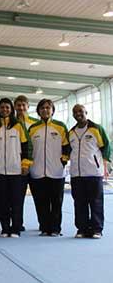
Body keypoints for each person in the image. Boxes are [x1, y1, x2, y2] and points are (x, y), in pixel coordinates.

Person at [28, 99, 70, 237]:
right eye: (42, 108)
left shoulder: (61, 127)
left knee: (56, 202)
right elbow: (28, 149)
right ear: (38, 111)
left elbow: (67, 146)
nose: (45, 110)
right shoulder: (33, 128)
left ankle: (55, 228)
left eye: (48, 108)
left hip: (56, 171)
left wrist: (62, 161)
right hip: (37, 171)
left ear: (52, 110)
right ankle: (44, 227)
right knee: (41, 201)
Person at [0, 98, 31, 238]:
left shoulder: (19, 126)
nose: (5, 110)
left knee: (16, 201)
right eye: (2, 107)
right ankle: (5, 227)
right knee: (2, 201)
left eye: (7, 107)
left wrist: (25, 164)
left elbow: (26, 147)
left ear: (11, 110)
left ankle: (16, 228)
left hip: (16, 171)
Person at [69, 104, 110, 239]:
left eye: (80, 111)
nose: (78, 114)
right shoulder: (71, 132)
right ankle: (82, 229)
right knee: (79, 202)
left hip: (93, 173)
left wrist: (103, 166)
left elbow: (107, 147)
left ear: (86, 112)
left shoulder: (96, 129)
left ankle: (97, 229)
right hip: (77, 173)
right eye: (75, 112)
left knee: (96, 202)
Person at [14, 95, 39, 232]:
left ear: (28, 107)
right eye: (18, 105)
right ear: (15, 107)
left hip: (36, 166)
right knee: (18, 198)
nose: (21, 108)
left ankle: (44, 223)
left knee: (39, 197)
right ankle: (18, 223)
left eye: (24, 105)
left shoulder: (36, 124)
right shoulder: (11, 124)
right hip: (18, 167)